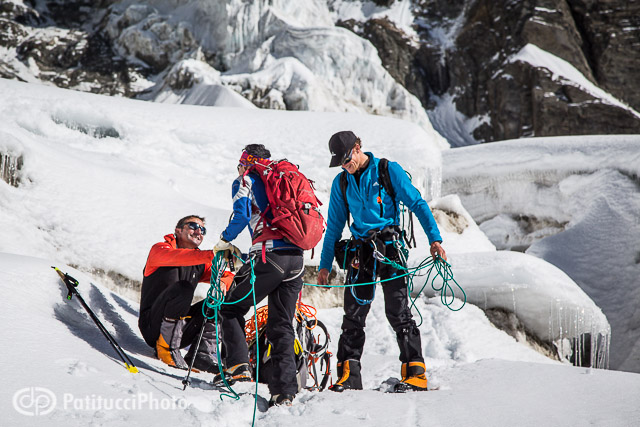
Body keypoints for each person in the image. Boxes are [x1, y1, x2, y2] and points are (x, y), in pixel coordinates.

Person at [317, 131, 447, 393]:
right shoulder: (341, 183)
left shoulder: (388, 170)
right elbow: (333, 227)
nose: (345, 166)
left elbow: (418, 204)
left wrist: (435, 239)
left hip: (390, 250)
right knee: (353, 315)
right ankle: (349, 375)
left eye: (347, 159)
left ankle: (415, 373)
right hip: (360, 253)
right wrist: (324, 264)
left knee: (398, 312)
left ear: (357, 147)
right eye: (341, 163)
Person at [214, 144, 304, 407]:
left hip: (268, 257)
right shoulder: (282, 180)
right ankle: (284, 391)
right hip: (296, 260)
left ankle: (238, 366)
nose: (238, 168)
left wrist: (224, 240)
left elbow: (241, 216)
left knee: (230, 307)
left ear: (245, 163)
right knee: (282, 325)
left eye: (239, 164)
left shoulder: (245, 180)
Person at [139, 215, 230, 373]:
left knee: (222, 299)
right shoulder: (160, 250)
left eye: (203, 230)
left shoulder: (200, 261)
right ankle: (165, 348)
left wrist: (223, 282)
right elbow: (178, 257)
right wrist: (213, 254)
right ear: (178, 230)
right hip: (152, 326)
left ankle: (201, 354)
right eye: (193, 226)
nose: (198, 232)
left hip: (180, 331)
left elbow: (227, 276)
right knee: (183, 288)